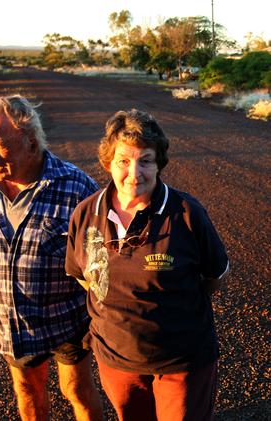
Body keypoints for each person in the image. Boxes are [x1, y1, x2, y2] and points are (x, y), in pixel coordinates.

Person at [65, 109, 229, 421]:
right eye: (123, 161)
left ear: (159, 163)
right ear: (108, 162)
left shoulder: (187, 213)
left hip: (181, 360)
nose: (134, 172)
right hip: (116, 359)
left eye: (146, 160)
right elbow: (83, 276)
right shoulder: (86, 214)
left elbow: (216, 276)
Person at [0, 95, 103, 421]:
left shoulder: (76, 187)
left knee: (77, 390)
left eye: (0, 143)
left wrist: (99, 318)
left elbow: (100, 265)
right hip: (9, 324)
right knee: (27, 390)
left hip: (67, 322)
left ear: (30, 141)